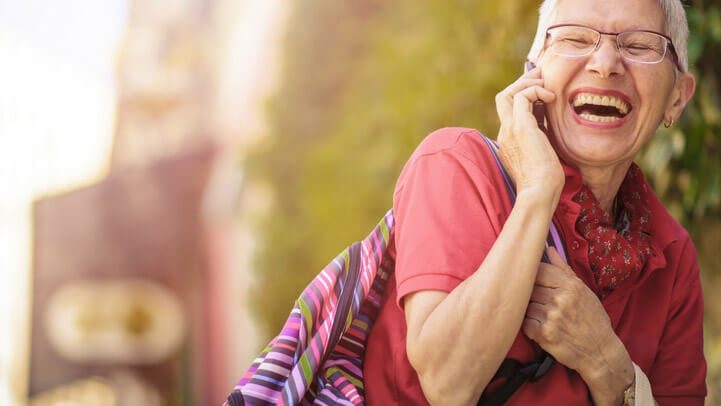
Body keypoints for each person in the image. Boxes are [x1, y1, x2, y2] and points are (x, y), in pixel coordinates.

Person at [362, 0, 706, 404]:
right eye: (577, 38)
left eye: (640, 46)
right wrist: (538, 193)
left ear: (677, 98)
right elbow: (448, 385)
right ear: (534, 72)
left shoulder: (671, 253)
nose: (606, 63)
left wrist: (609, 365)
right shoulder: (457, 166)